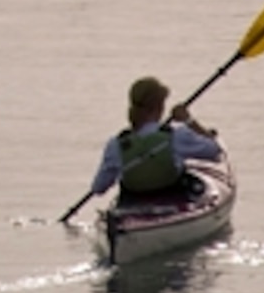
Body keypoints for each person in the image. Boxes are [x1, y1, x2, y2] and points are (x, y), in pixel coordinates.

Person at [83, 75, 223, 209]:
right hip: (173, 200)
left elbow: (99, 188)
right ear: (159, 106)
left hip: (133, 206)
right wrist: (189, 121)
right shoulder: (176, 135)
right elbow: (215, 151)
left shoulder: (116, 145)